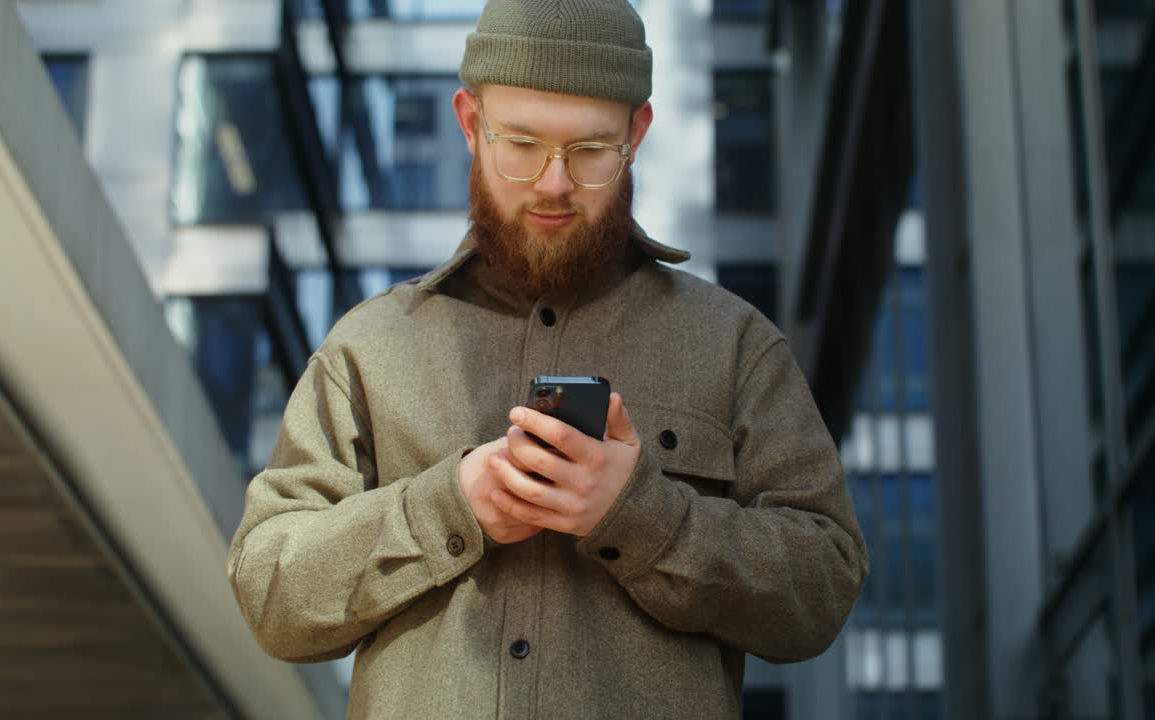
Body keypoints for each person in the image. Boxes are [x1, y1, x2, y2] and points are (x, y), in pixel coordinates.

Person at [227, 1, 867, 717]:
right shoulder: (368, 347)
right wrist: (452, 506)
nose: (554, 183)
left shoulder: (735, 345)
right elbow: (268, 592)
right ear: (470, 123)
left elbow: (824, 588)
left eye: (591, 151)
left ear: (638, 133)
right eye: (522, 144)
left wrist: (639, 514)